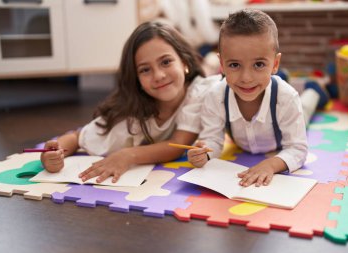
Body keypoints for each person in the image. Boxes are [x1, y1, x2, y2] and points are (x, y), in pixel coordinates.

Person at [41, 21, 220, 183]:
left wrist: (128, 155)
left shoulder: (198, 92)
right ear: (136, 79)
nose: (158, 75)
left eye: (165, 62)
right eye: (145, 70)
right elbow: (77, 138)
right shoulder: (131, 116)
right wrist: (52, 155)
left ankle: (212, 61)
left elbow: (176, 145)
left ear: (184, 61)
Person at [187, 9, 328, 187]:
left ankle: (314, 90)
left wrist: (270, 165)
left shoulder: (286, 98)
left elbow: (298, 149)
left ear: (275, 63)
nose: (246, 77)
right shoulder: (216, 96)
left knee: (306, 108)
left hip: (285, 108)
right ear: (222, 65)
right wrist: (204, 153)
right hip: (270, 92)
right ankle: (281, 76)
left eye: (259, 64)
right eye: (235, 65)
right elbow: (212, 139)